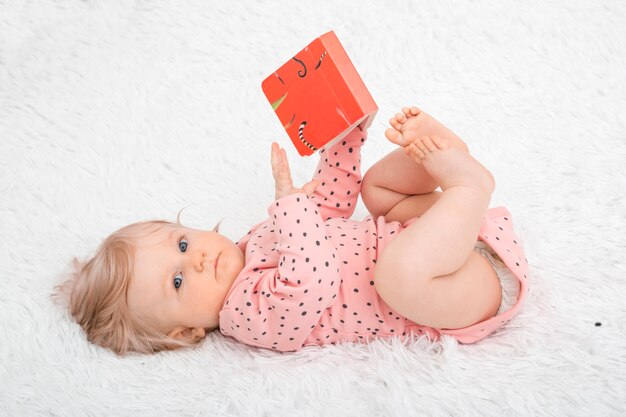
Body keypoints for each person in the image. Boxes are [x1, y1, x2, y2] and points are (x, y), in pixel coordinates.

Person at [55, 106, 528, 355]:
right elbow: (312, 281)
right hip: (452, 294)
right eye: (178, 280)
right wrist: (289, 204)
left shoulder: (257, 237)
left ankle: (445, 159)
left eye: (182, 244)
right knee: (396, 275)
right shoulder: (247, 318)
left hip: (441, 237)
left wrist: (345, 136)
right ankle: (467, 186)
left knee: (376, 190)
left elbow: (330, 204)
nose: (196, 258)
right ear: (185, 332)